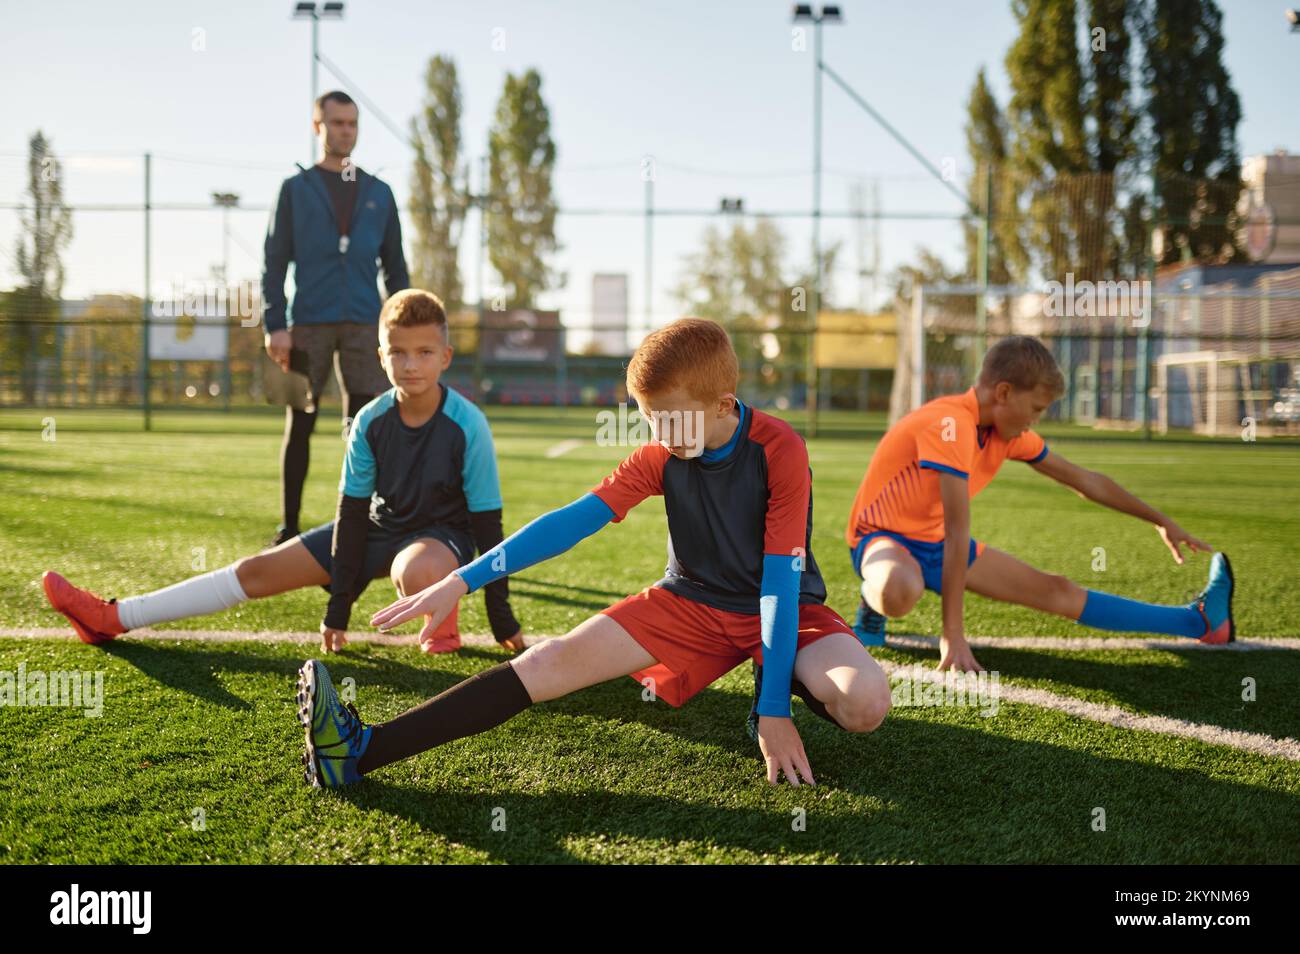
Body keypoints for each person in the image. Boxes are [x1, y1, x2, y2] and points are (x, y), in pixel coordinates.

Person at [293, 318, 891, 790]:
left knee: (865, 704)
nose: (657, 435)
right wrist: (463, 581)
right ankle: (361, 749)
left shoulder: (779, 448)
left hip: (782, 606)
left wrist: (771, 711)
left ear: (721, 404)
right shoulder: (663, 452)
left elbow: (779, 587)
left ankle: (772, 672)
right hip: (691, 603)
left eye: (667, 420)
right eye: (648, 420)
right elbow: (572, 522)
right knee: (548, 663)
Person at [43, 290, 524, 656]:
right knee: (255, 570)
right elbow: (353, 515)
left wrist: (502, 620)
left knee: (417, 571)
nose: (410, 364)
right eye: (398, 352)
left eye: (423, 352)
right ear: (381, 356)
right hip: (380, 526)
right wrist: (339, 610)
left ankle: (442, 623)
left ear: (445, 357)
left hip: (442, 538)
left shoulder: (468, 424)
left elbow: (488, 527)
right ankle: (114, 616)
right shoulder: (370, 422)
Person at [832, 335, 1233, 678]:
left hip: (935, 541)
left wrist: (1159, 519)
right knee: (898, 588)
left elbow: (1085, 480)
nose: (1035, 421)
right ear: (1004, 393)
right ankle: (872, 608)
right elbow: (959, 531)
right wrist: (952, 634)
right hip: (882, 539)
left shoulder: (1007, 435)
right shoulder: (948, 424)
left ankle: (1199, 621)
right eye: (1036, 409)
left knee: (1058, 590)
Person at [262, 89, 410, 546]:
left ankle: (359, 526)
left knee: (363, 426)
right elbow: (274, 261)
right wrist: (275, 325)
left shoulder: (379, 192)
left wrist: (402, 324)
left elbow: (395, 265)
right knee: (300, 423)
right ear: (317, 127)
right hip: (306, 323)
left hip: (366, 324)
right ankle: (289, 526)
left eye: (352, 123)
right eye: (337, 123)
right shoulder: (295, 189)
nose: (346, 131)